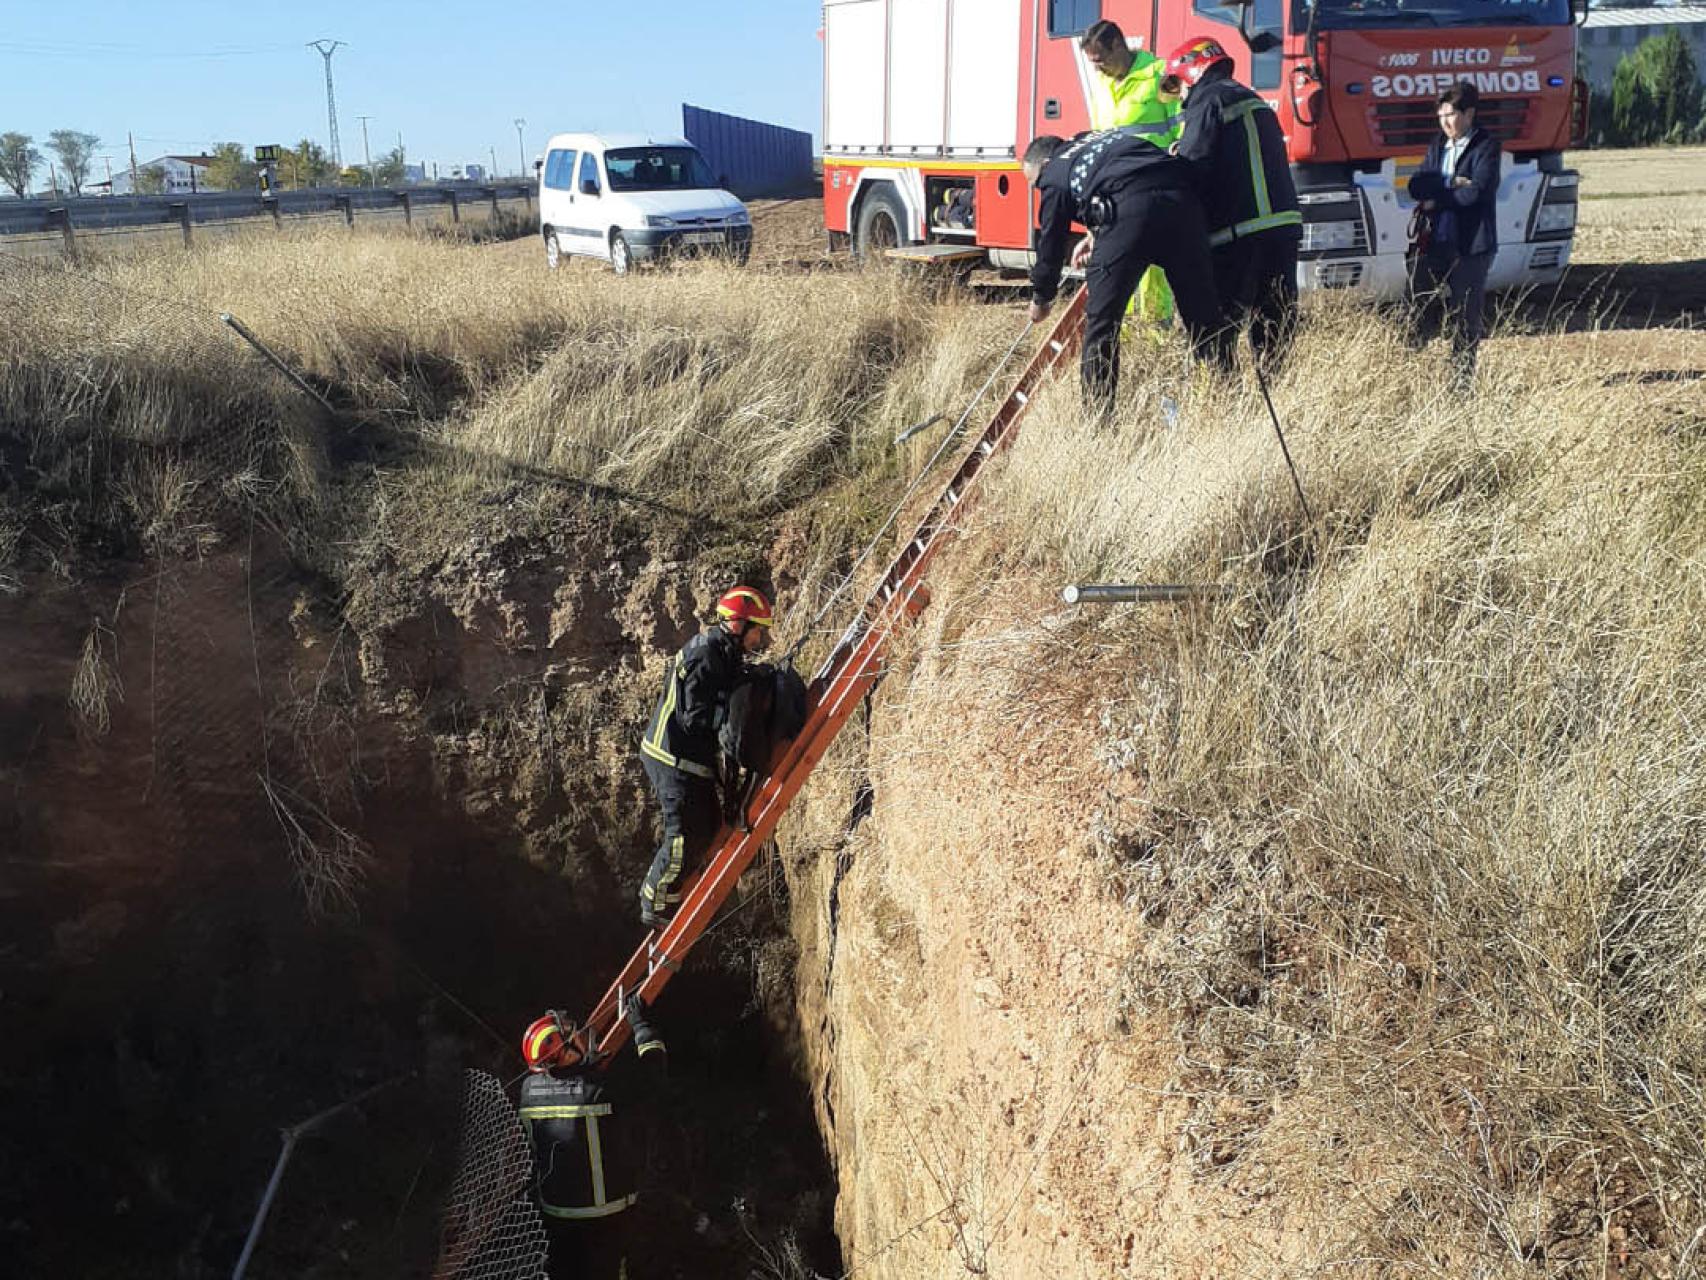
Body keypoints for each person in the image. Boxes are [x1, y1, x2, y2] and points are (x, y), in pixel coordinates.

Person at [1026, 130, 1226, 421]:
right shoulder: (1098, 138)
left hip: (1129, 217)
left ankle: (1098, 421)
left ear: (1044, 164)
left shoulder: (1055, 172)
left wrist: (1042, 297)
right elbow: (1115, 177)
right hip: (1181, 202)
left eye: (1036, 183)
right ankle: (1225, 401)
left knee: (1102, 324)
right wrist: (1095, 234)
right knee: (1204, 317)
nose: (1040, 189)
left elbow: (1051, 241)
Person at [637, 585, 774, 928]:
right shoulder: (706, 655)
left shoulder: (724, 653)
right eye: (757, 631)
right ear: (738, 625)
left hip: (690, 758)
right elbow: (694, 717)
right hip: (671, 757)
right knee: (684, 832)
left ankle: (674, 893)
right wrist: (731, 713)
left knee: (710, 825)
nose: (760, 639)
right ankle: (654, 901)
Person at [1168, 37, 1303, 374]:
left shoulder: (1207, 102)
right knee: (1275, 328)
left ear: (1190, 73)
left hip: (1237, 236)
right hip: (1282, 230)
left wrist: (1173, 161)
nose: (1181, 97)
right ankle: (1277, 394)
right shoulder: (1253, 99)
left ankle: (1225, 404)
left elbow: (1193, 168)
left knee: (1218, 332)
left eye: (1179, 87)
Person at [517, 998, 668, 1276]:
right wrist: (642, 1026)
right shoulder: (598, 1091)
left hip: (555, 1215)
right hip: (604, 1218)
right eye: (571, 1034)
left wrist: (583, 1068)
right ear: (563, 1051)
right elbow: (653, 1074)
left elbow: (564, 1085)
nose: (579, 1035)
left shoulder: (528, 1090)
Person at [1080, 19, 1182, 329]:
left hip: (1154, 188)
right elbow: (1099, 139)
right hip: (1115, 192)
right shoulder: (1103, 85)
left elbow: (1180, 128)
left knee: (1153, 271)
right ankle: (1125, 341)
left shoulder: (1160, 75)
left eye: (1101, 61)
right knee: (1117, 267)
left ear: (1118, 46)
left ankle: (1156, 337)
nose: (1098, 70)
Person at [1406, 80, 1501, 382]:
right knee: (1416, 303)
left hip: (1471, 246)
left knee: (1465, 316)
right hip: (1434, 242)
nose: (1445, 122)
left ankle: (1461, 382)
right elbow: (1416, 185)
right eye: (1441, 115)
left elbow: (1478, 192)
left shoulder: (1486, 145)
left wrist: (1439, 195)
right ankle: (1409, 372)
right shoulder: (1438, 145)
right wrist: (1451, 183)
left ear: (1469, 114)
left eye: (1451, 114)